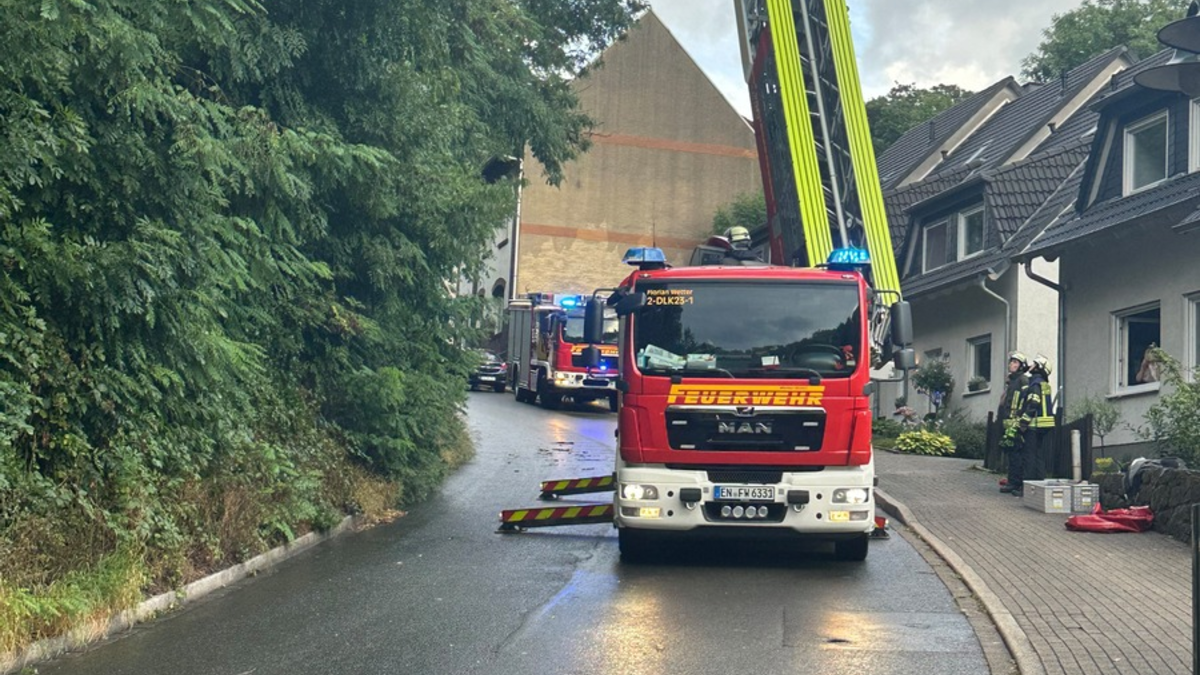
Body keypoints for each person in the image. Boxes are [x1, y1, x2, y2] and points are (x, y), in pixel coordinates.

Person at [1011, 354, 1055, 497]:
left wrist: (1023, 422)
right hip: (1042, 427)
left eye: (1034, 363)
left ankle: (1028, 489)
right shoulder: (1043, 383)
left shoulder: (1035, 384)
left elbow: (1033, 404)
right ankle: (1039, 487)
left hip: (1033, 427)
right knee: (1038, 457)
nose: (1031, 364)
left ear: (1038, 368)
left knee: (1028, 457)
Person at [998, 351, 1030, 493]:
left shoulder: (1023, 380)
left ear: (1021, 366)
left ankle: (1017, 483)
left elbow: (1026, 400)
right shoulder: (1011, 381)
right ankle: (1012, 481)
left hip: (1017, 422)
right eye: (1011, 362)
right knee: (1011, 453)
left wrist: (1020, 419)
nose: (1012, 364)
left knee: (1017, 454)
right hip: (1009, 421)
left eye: (1015, 362)